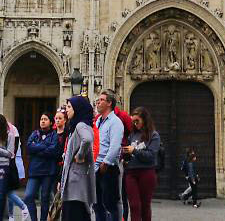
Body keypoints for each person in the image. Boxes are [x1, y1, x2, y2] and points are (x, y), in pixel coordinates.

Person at [61, 97, 97, 221]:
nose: (66, 110)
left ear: (77, 109)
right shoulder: (79, 125)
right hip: (75, 180)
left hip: (75, 182)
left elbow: (87, 140)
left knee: (74, 213)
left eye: (69, 107)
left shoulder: (81, 125)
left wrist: (80, 155)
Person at [120, 107, 159, 221]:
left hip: (146, 172)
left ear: (145, 120)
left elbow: (151, 156)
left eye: (137, 121)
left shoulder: (153, 135)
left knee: (145, 206)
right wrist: (125, 154)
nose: (135, 124)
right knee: (134, 205)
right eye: (133, 121)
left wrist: (134, 151)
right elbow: (129, 152)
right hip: (131, 172)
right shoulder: (132, 134)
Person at [93, 93, 124, 221]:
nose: (98, 102)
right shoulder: (98, 121)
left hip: (108, 168)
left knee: (110, 204)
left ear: (109, 103)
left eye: (101, 100)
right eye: (98, 100)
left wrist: (105, 163)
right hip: (96, 167)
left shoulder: (115, 122)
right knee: (97, 204)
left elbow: (115, 146)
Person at [26, 113, 61, 221]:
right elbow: (29, 147)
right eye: (41, 119)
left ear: (50, 122)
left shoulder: (54, 135)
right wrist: (44, 146)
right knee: (28, 196)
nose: (42, 121)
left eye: (45, 119)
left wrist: (36, 149)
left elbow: (52, 150)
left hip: (48, 171)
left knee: (45, 198)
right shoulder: (35, 133)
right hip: (34, 170)